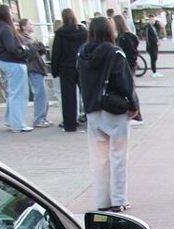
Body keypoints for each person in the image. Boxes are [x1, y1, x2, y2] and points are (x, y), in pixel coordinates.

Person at [77, 16, 138, 211]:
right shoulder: (115, 53)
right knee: (118, 156)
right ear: (110, 31)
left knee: (99, 159)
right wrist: (134, 105)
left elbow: (77, 80)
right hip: (114, 109)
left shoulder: (82, 54)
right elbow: (125, 82)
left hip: (93, 110)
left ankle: (102, 201)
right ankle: (119, 199)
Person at [0, 5, 30, 132]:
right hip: (13, 62)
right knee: (19, 93)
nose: (13, 15)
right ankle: (18, 124)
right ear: (6, 14)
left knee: (12, 92)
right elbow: (12, 48)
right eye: (11, 12)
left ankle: (10, 120)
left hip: (2, 61)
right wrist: (24, 52)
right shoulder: (6, 29)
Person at [50, 8, 87, 131]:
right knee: (86, 94)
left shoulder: (60, 33)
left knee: (68, 97)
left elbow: (56, 53)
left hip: (66, 68)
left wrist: (54, 70)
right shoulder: (82, 31)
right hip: (81, 66)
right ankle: (91, 119)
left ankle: (70, 124)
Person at [18, 19, 52, 128]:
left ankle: (42, 117)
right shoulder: (23, 38)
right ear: (23, 27)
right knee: (40, 93)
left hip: (37, 67)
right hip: (33, 68)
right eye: (30, 24)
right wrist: (36, 47)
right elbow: (29, 53)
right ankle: (39, 119)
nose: (32, 25)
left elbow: (37, 51)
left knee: (43, 93)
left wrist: (39, 48)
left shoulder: (29, 38)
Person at [113, 15, 142, 123]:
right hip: (127, 65)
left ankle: (137, 115)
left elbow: (131, 53)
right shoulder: (121, 37)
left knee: (130, 90)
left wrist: (129, 65)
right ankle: (134, 114)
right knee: (129, 89)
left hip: (128, 66)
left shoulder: (125, 37)